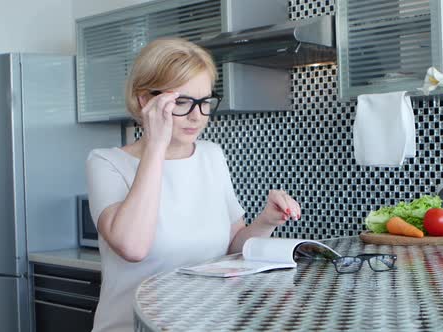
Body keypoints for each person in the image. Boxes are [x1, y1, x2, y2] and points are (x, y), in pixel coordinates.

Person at [86, 37, 301, 332]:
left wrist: (266, 221)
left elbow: (231, 246)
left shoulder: (212, 155)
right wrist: (156, 145)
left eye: (203, 102)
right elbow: (133, 246)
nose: (197, 116)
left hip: (210, 324)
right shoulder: (106, 163)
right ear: (145, 100)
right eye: (181, 102)